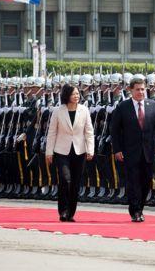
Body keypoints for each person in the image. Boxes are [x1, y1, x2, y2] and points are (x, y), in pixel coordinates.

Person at [110, 75, 155, 222]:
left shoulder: (153, 105)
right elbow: (115, 130)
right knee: (133, 182)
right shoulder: (123, 107)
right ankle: (135, 211)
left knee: (146, 181)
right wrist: (117, 149)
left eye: (143, 89)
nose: (141, 92)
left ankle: (140, 208)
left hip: (149, 151)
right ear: (130, 90)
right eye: (137, 89)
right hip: (130, 151)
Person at [45, 83, 94, 222]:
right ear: (67, 95)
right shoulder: (58, 111)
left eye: (78, 93)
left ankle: (71, 212)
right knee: (65, 180)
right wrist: (49, 152)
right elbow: (52, 133)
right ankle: (63, 211)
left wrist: (90, 150)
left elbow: (89, 132)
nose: (76, 96)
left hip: (79, 151)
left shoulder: (84, 110)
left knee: (75, 182)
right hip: (61, 151)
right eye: (74, 94)